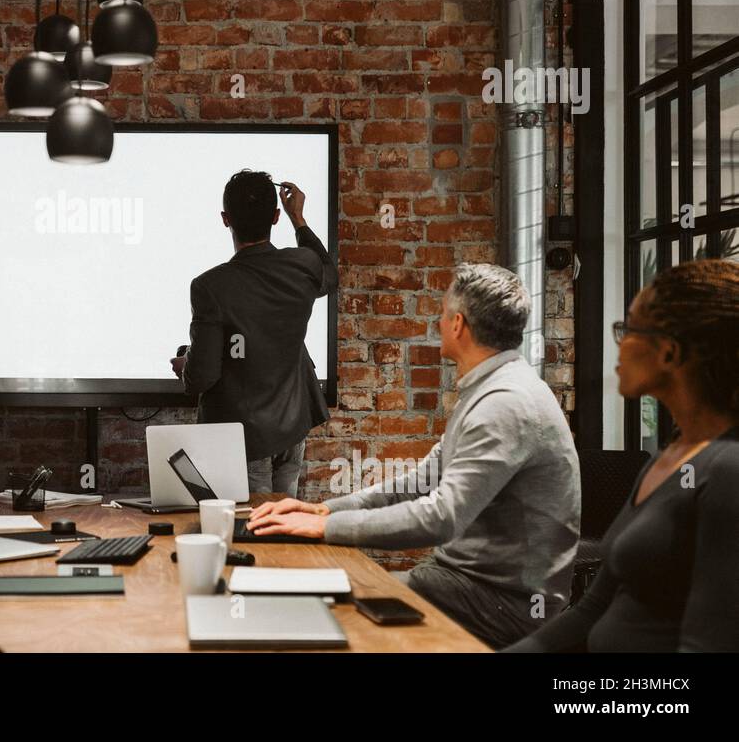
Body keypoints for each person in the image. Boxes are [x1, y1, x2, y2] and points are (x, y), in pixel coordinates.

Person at [247, 262, 580, 649]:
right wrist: (326, 511)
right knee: (313, 598)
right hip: (464, 584)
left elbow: (442, 517)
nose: (438, 323)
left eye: (442, 314)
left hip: (500, 604)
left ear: (457, 324)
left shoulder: (505, 403)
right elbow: (423, 480)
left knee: (323, 616)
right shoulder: (491, 387)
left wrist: (326, 530)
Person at [506, 260, 739, 652]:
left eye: (629, 329)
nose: (620, 341)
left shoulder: (728, 471)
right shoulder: (670, 456)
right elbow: (590, 610)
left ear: (669, 352)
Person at [171, 170, 337, 494]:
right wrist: (299, 219)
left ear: (225, 219)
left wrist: (185, 363)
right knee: (280, 525)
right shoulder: (302, 265)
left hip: (241, 436)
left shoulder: (210, 286)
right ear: (276, 217)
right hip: (292, 427)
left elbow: (201, 378)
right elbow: (329, 273)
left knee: (249, 528)